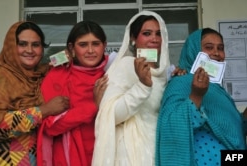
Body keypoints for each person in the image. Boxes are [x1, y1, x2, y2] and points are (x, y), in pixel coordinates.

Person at [155, 28, 246, 166]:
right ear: (194, 50)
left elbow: (234, 128)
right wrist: (196, 95)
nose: (216, 53)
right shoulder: (180, 82)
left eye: (220, 48)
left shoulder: (219, 91)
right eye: (209, 48)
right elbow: (171, 125)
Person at [92, 10, 172, 166]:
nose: (154, 39)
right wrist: (142, 86)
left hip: (160, 150)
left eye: (158, 33)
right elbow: (111, 114)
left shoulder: (165, 74)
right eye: (147, 33)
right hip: (131, 152)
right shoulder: (124, 66)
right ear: (133, 38)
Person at [37, 20, 109, 166]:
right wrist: (92, 107)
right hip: (68, 157)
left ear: (104, 46)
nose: (90, 50)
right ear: (72, 47)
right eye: (83, 45)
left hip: (108, 153)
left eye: (96, 44)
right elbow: (50, 127)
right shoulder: (58, 75)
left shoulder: (113, 72)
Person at [0, 21, 69, 165]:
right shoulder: (1, 77)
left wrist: (69, 55)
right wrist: (44, 110)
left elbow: (56, 62)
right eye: (22, 44)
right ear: (11, 47)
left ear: (42, 49)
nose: (29, 50)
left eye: (36, 45)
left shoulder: (41, 74)